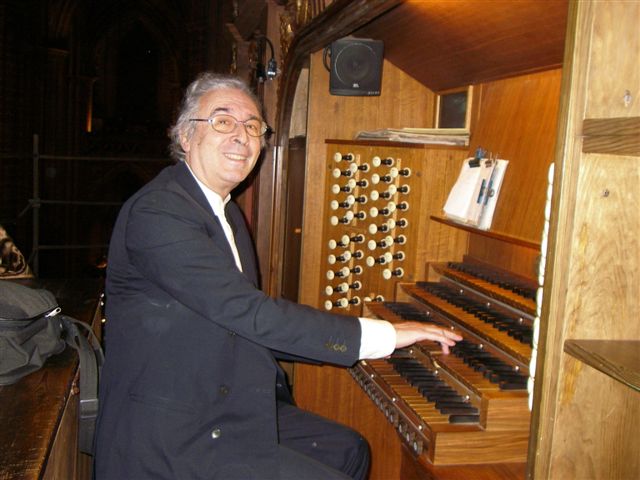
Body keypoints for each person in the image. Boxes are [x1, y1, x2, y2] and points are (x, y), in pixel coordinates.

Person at [93, 72, 462, 480]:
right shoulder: (159, 212)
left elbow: (243, 323)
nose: (242, 136)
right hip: (172, 428)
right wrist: (384, 335)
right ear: (185, 137)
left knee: (349, 449)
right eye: (222, 121)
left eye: (253, 126)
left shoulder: (226, 213)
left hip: (222, 402)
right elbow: (248, 313)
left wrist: (372, 345)